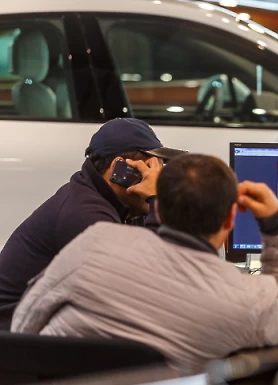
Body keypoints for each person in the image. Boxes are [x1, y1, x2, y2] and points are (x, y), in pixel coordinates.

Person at [12, 154, 278, 374]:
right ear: (229, 219)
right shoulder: (247, 302)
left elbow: (26, 323)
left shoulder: (94, 242)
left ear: (158, 208)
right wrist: (277, 225)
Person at [0, 118, 185, 330]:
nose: (158, 178)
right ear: (120, 169)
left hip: (43, 326)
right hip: (14, 336)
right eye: (151, 167)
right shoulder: (83, 213)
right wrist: (157, 200)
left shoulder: (123, 206)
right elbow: (145, 282)